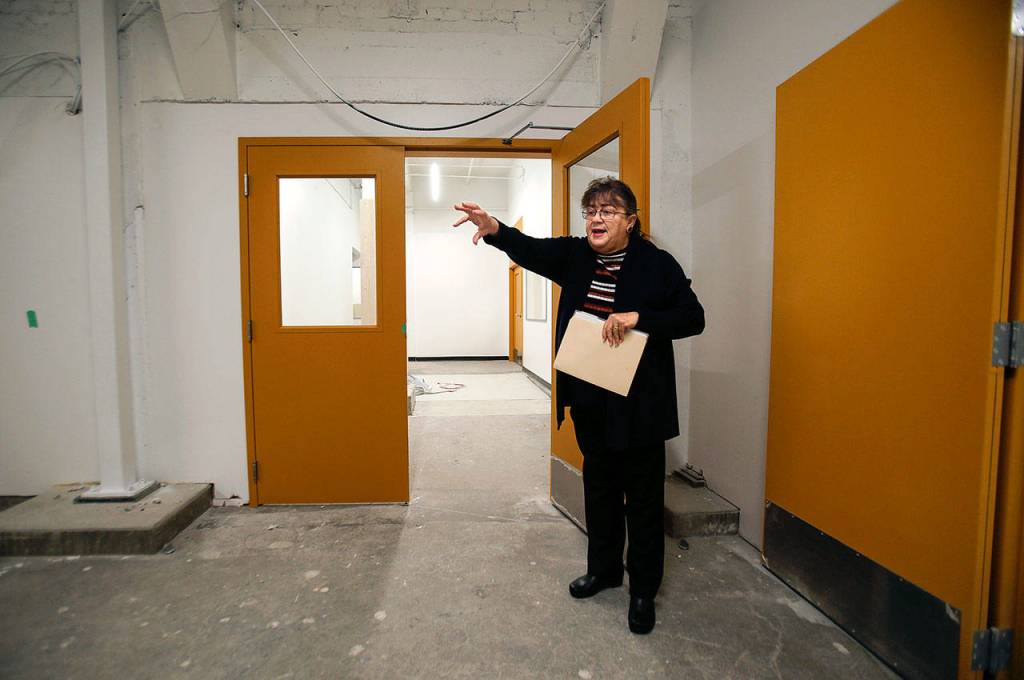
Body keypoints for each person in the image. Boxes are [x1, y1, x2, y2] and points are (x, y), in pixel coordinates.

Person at [453, 177, 705, 635]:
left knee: (643, 502)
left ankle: (643, 589)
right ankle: (604, 571)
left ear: (631, 221)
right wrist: (494, 229)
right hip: (590, 399)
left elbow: (693, 317)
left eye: (608, 211)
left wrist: (639, 318)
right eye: (590, 211)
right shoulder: (575, 256)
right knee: (600, 491)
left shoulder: (657, 264)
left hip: (640, 407)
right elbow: (530, 249)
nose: (596, 218)